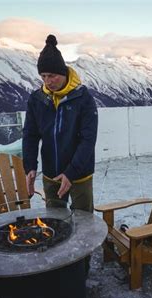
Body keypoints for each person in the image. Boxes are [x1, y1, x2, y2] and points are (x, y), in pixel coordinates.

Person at [23, 34, 98, 213]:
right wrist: (30, 166)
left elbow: (88, 140)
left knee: (84, 220)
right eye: (43, 76)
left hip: (80, 175)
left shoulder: (83, 98)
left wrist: (71, 173)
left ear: (63, 73)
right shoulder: (37, 99)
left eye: (52, 76)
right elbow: (30, 135)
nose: (48, 82)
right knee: (55, 221)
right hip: (51, 174)